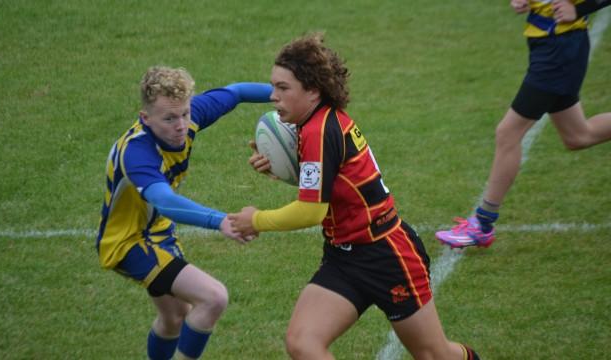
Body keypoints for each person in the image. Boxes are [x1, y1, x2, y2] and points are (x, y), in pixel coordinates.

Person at [229, 34, 481, 360]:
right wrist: (284, 172)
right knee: (303, 343)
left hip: (386, 254)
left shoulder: (318, 131)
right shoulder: (315, 124)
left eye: (283, 88)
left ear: (313, 90)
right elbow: (338, 186)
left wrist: (256, 220)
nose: (273, 96)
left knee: (435, 354)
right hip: (344, 256)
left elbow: (310, 212)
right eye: (273, 87)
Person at [95, 66, 271, 360]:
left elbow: (237, 92)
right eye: (169, 119)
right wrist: (220, 221)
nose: (181, 125)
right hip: (127, 243)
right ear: (145, 118)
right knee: (214, 298)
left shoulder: (185, 117)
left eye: (185, 114)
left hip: (158, 232)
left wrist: (288, 96)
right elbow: (164, 200)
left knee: (175, 317)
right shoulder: (136, 152)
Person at [436, 0, 611, 248]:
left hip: (560, 50)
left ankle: (482, 224)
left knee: (508, 133)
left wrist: (579, 9)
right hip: (548, 45)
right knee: (578, 135)